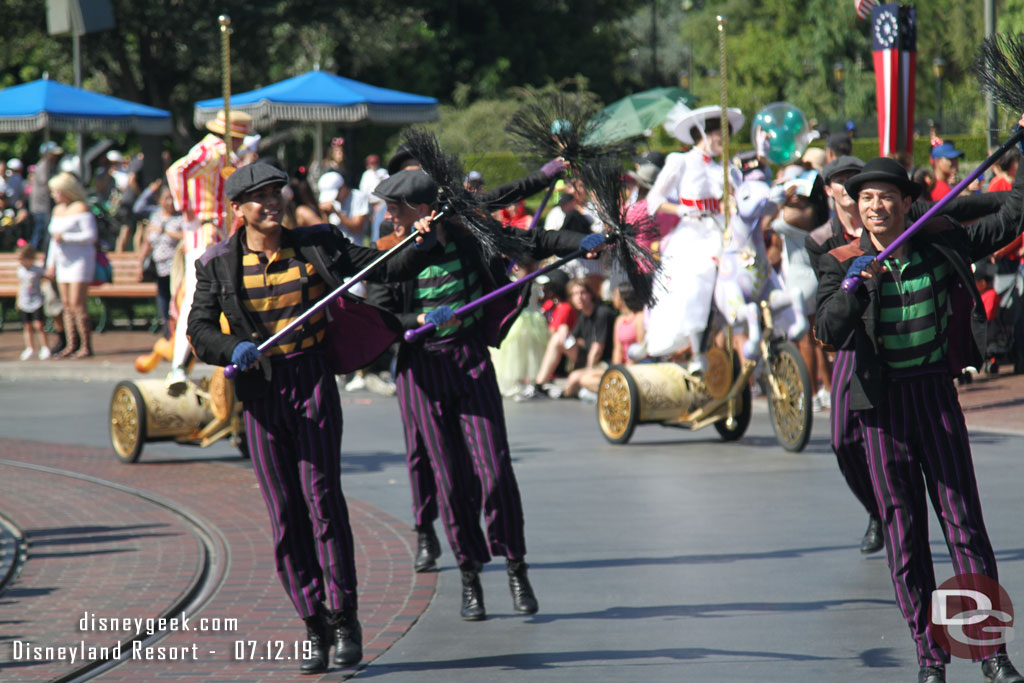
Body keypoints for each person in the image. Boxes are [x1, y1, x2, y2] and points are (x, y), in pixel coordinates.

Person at [186, 162, 442, 674]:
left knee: (323, 500)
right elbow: (198, 328)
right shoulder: (216, 263)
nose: (272, 203)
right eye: (258, 197)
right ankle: (313, 621)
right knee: (285, 514)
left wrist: (422, 241)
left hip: (312, 382)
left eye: (276, 193)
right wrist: (231, 346)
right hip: (262, 391)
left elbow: (383, 267)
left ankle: (345, 618)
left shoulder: (318, 243)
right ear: (237, 209)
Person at [815, 154, 1024, 683]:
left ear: (907, 203)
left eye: (886, 196)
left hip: (935, 399)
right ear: (857, 210)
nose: (876, 206)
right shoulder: (840, 260)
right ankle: (931, 660)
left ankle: (991, 652)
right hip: (882, 412)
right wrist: (852, 287)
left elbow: (1015, 216)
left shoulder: (941, 242)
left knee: (965, 528)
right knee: (906, 542)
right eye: (866, 199)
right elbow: (826, 332)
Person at [368, 168, 598, 621]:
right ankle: (469, 576)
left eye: (396, 209)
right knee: (451, 483)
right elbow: (380, 313)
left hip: (469, 359)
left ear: (422, 210)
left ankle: (516, 566)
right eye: (389, 210)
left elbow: (533, 243)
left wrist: (583, 246)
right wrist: (415, 322)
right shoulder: (386, 251)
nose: (389, 217)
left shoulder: (467, 233)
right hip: (421, 371)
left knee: (495, 472)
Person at [641, 102, 744, 370]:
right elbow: (654, 199)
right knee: (696, 281)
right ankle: (697, 353)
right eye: (722, 137)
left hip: (721, 231)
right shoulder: (681, 162)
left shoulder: (726, 168)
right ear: (706, 135)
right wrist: (682, 210)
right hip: (693, 235)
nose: (726, 143)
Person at [164, 109, 255, 394]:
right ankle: (177, 368)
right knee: (196, 297)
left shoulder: (227, 155)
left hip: (221, 230)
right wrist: (186, 207)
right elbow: (176, 170)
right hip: (205, 229)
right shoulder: (213, 151)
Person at [44, 172, 98, 359]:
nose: (54, 195)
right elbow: (53, 241)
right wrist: (50, 264)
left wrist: (67, 237)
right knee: (66, 305)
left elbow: (90, 236)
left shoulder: (81, 208)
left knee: (77, 305)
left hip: (80, 261)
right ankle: (71, 344)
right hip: (62, 262)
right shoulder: (57, 210)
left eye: (56, 191)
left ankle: (85, 345)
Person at [562, 280, 644, 402]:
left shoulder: (639, 318)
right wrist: (617, 370)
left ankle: (616, 393)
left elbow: (641, 347)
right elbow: (618, 349)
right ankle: (612, 391)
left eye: (615, 295)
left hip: (635, 366)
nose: (612, 298)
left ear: (623, 298)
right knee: (584, 379)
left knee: (579, 379)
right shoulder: (620, 321)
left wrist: (626, 369)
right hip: (619, 366)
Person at [141, 186, 184, 338]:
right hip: (159, 267)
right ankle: (168, 334)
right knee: (163, 301)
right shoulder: (155, 216)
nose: (170, 202)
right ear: (159, 200)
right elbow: (148, 241)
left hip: (176, 267)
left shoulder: (180, 217)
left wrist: (164, 231)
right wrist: (141, 263)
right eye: (166, 198)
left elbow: (185, 237)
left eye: (172, 198)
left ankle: (179, 333)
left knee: (177, 300)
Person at [16, 244, 50, 360]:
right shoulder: (20, 271)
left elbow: (47, 278)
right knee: (27, 326)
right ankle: (30, 348)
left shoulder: (37, 270)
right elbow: (20, 286)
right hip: (25, 300)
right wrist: (18, 300)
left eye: (22, 259)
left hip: (36, 300)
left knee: (39, 324)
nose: (20, 262)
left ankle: (45, 347)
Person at [317, 171, 369, 244]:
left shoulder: (358, 197)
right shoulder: (333, 201)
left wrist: (337, 212)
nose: (336, 198)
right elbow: (327, 233)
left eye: (336, 195)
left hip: (354, 245)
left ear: (343, 187)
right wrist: (325, 215)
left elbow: (357, 229)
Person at [29, 142, 63, 252]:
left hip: (45, 205)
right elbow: (47, 183)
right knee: (40, 231)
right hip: (41, 206)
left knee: (42, 231)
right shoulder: (43, 166)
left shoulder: (50, 166)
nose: (55, 156)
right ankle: (31, 253)